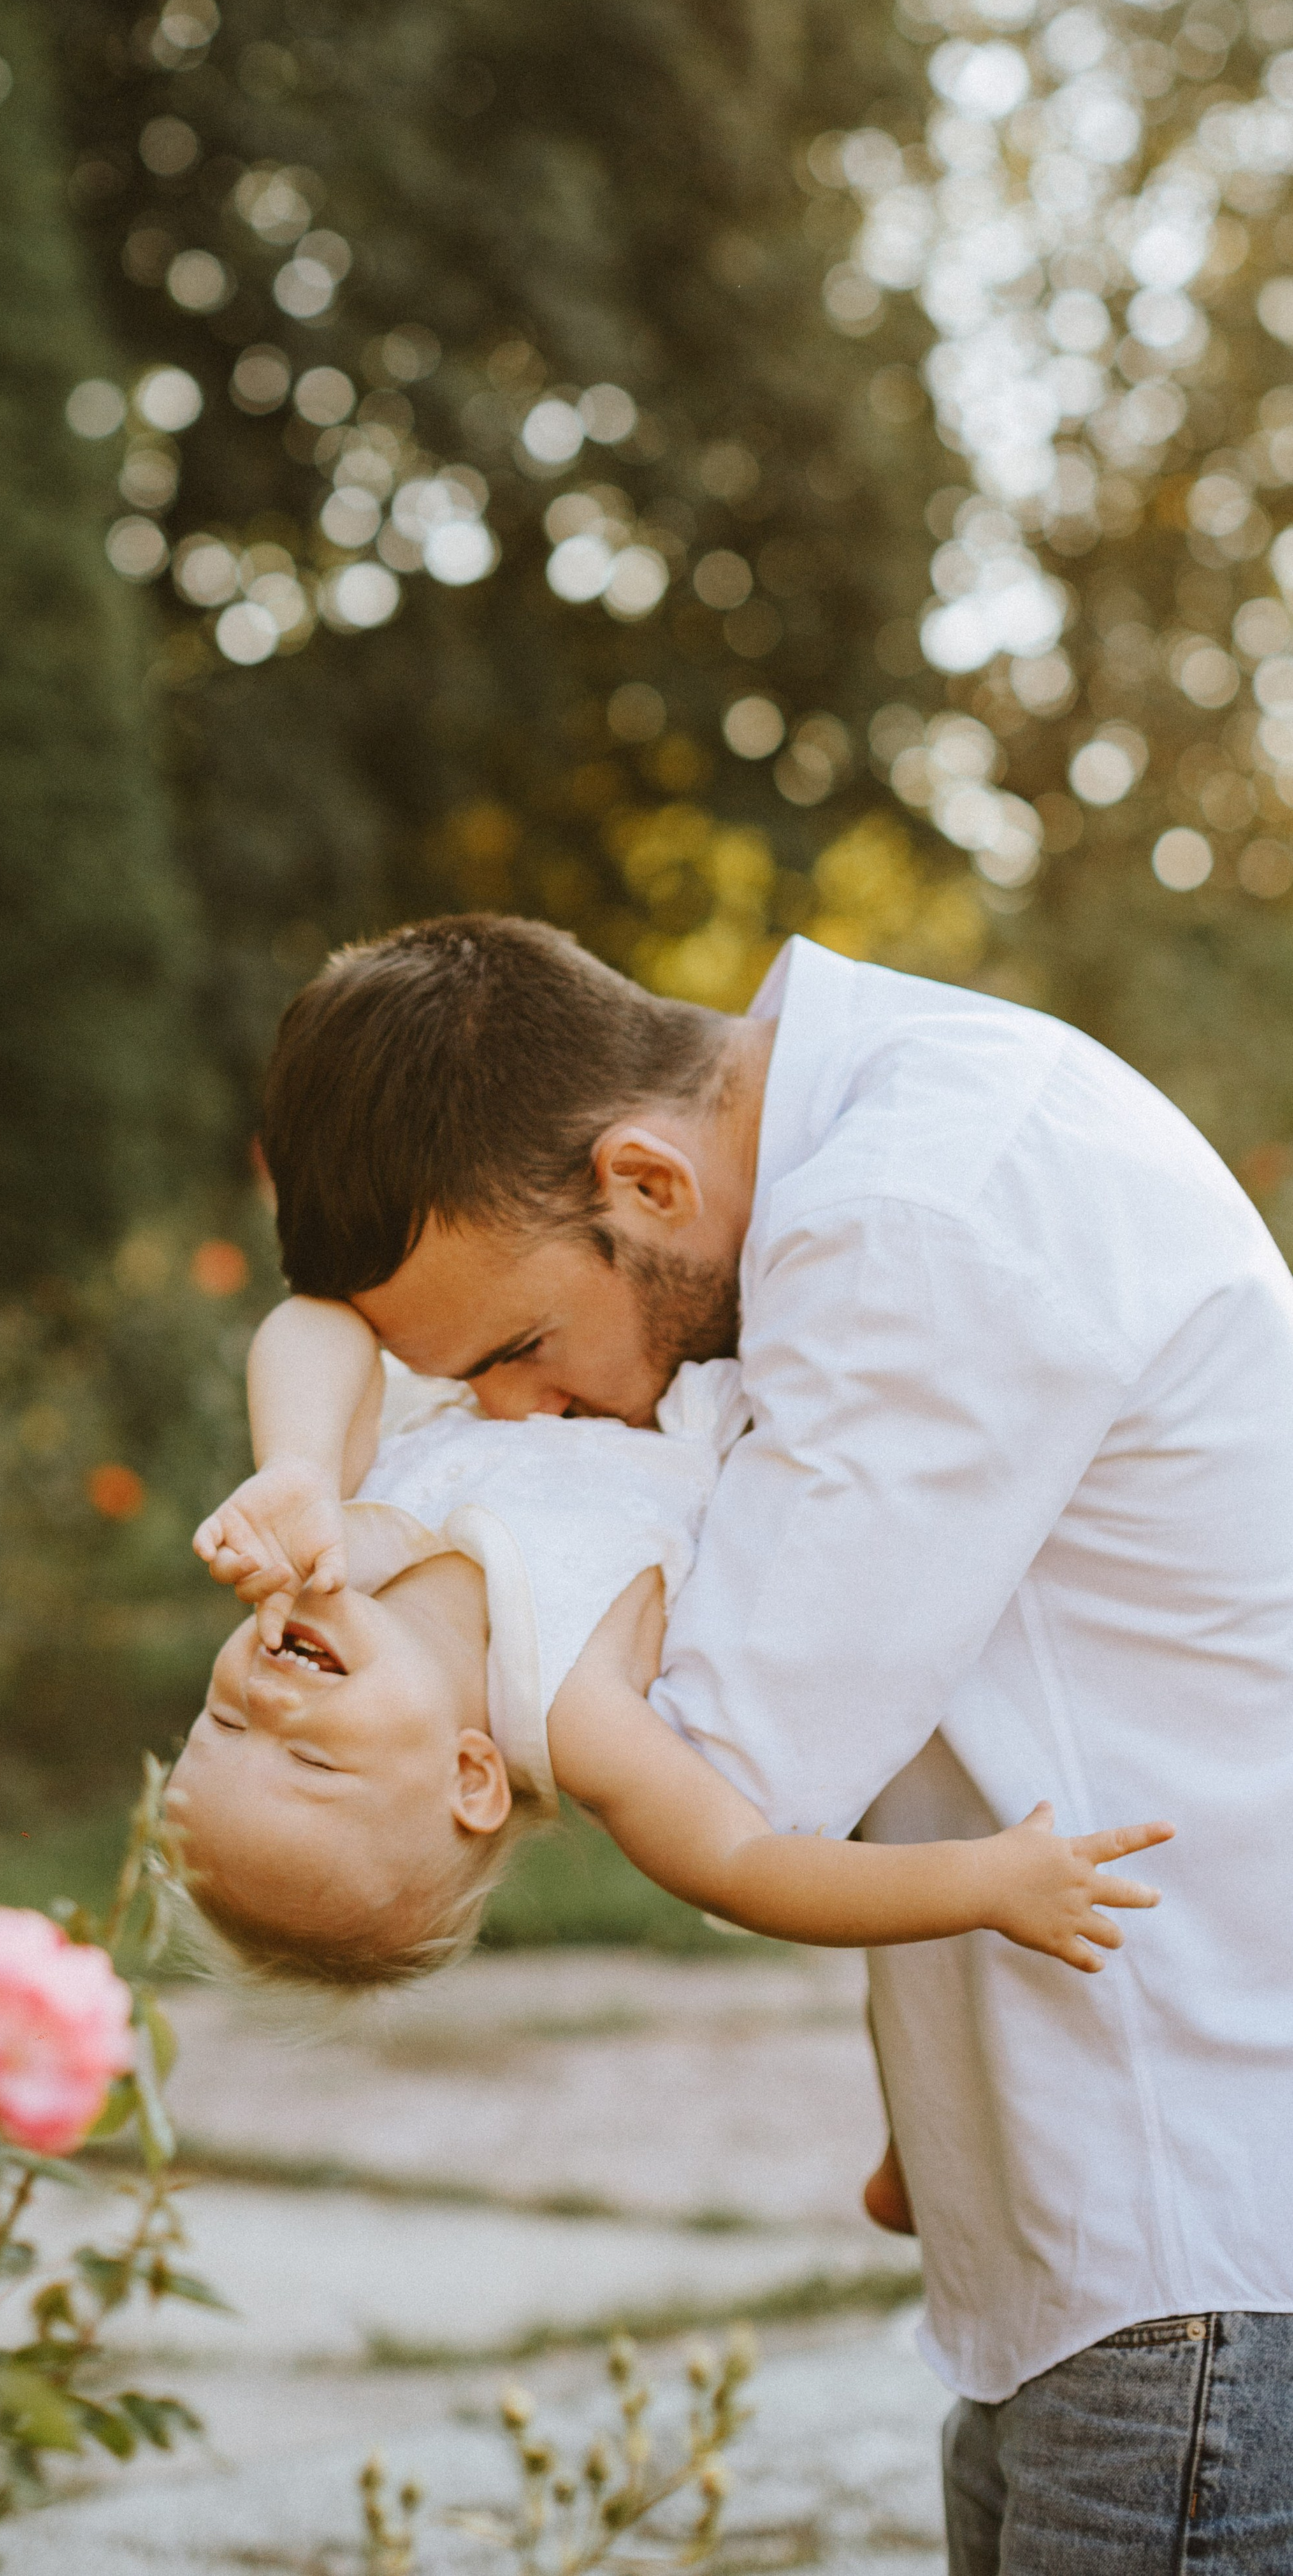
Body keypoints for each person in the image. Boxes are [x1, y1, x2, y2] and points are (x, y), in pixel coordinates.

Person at [230, 912, 1293, 2576]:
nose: (508, 1414)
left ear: (643, 1184)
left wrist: (421, 1665)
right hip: (1066, 2223)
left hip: (1185, 2223)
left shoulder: (919, 1221)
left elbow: (733, 1773)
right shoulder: (859, 1152)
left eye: (512, 1351)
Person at [173, 1302, 1170, 2000]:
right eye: (310, 1759)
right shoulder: (569, 1707)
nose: (269, 1705)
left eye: (221, 1723)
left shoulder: (335, 1530)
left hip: (578, 1333)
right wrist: (985, 1885)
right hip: (756, 1394)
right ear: (472, 1778)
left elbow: (322, 1320)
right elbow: (745, 1864)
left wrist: (295, 1461)